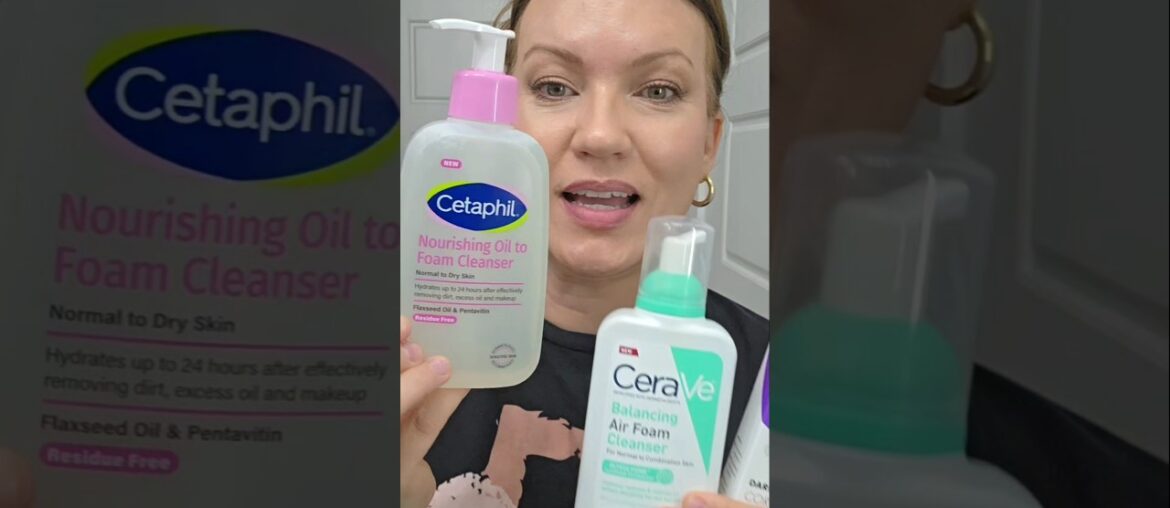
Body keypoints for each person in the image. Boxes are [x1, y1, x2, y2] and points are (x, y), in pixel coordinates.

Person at [398, 0, 769, 507]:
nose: (600, 136)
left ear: (710, 141)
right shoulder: (393, 350)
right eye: (554, 87)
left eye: (658, 91)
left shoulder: (781, 385)